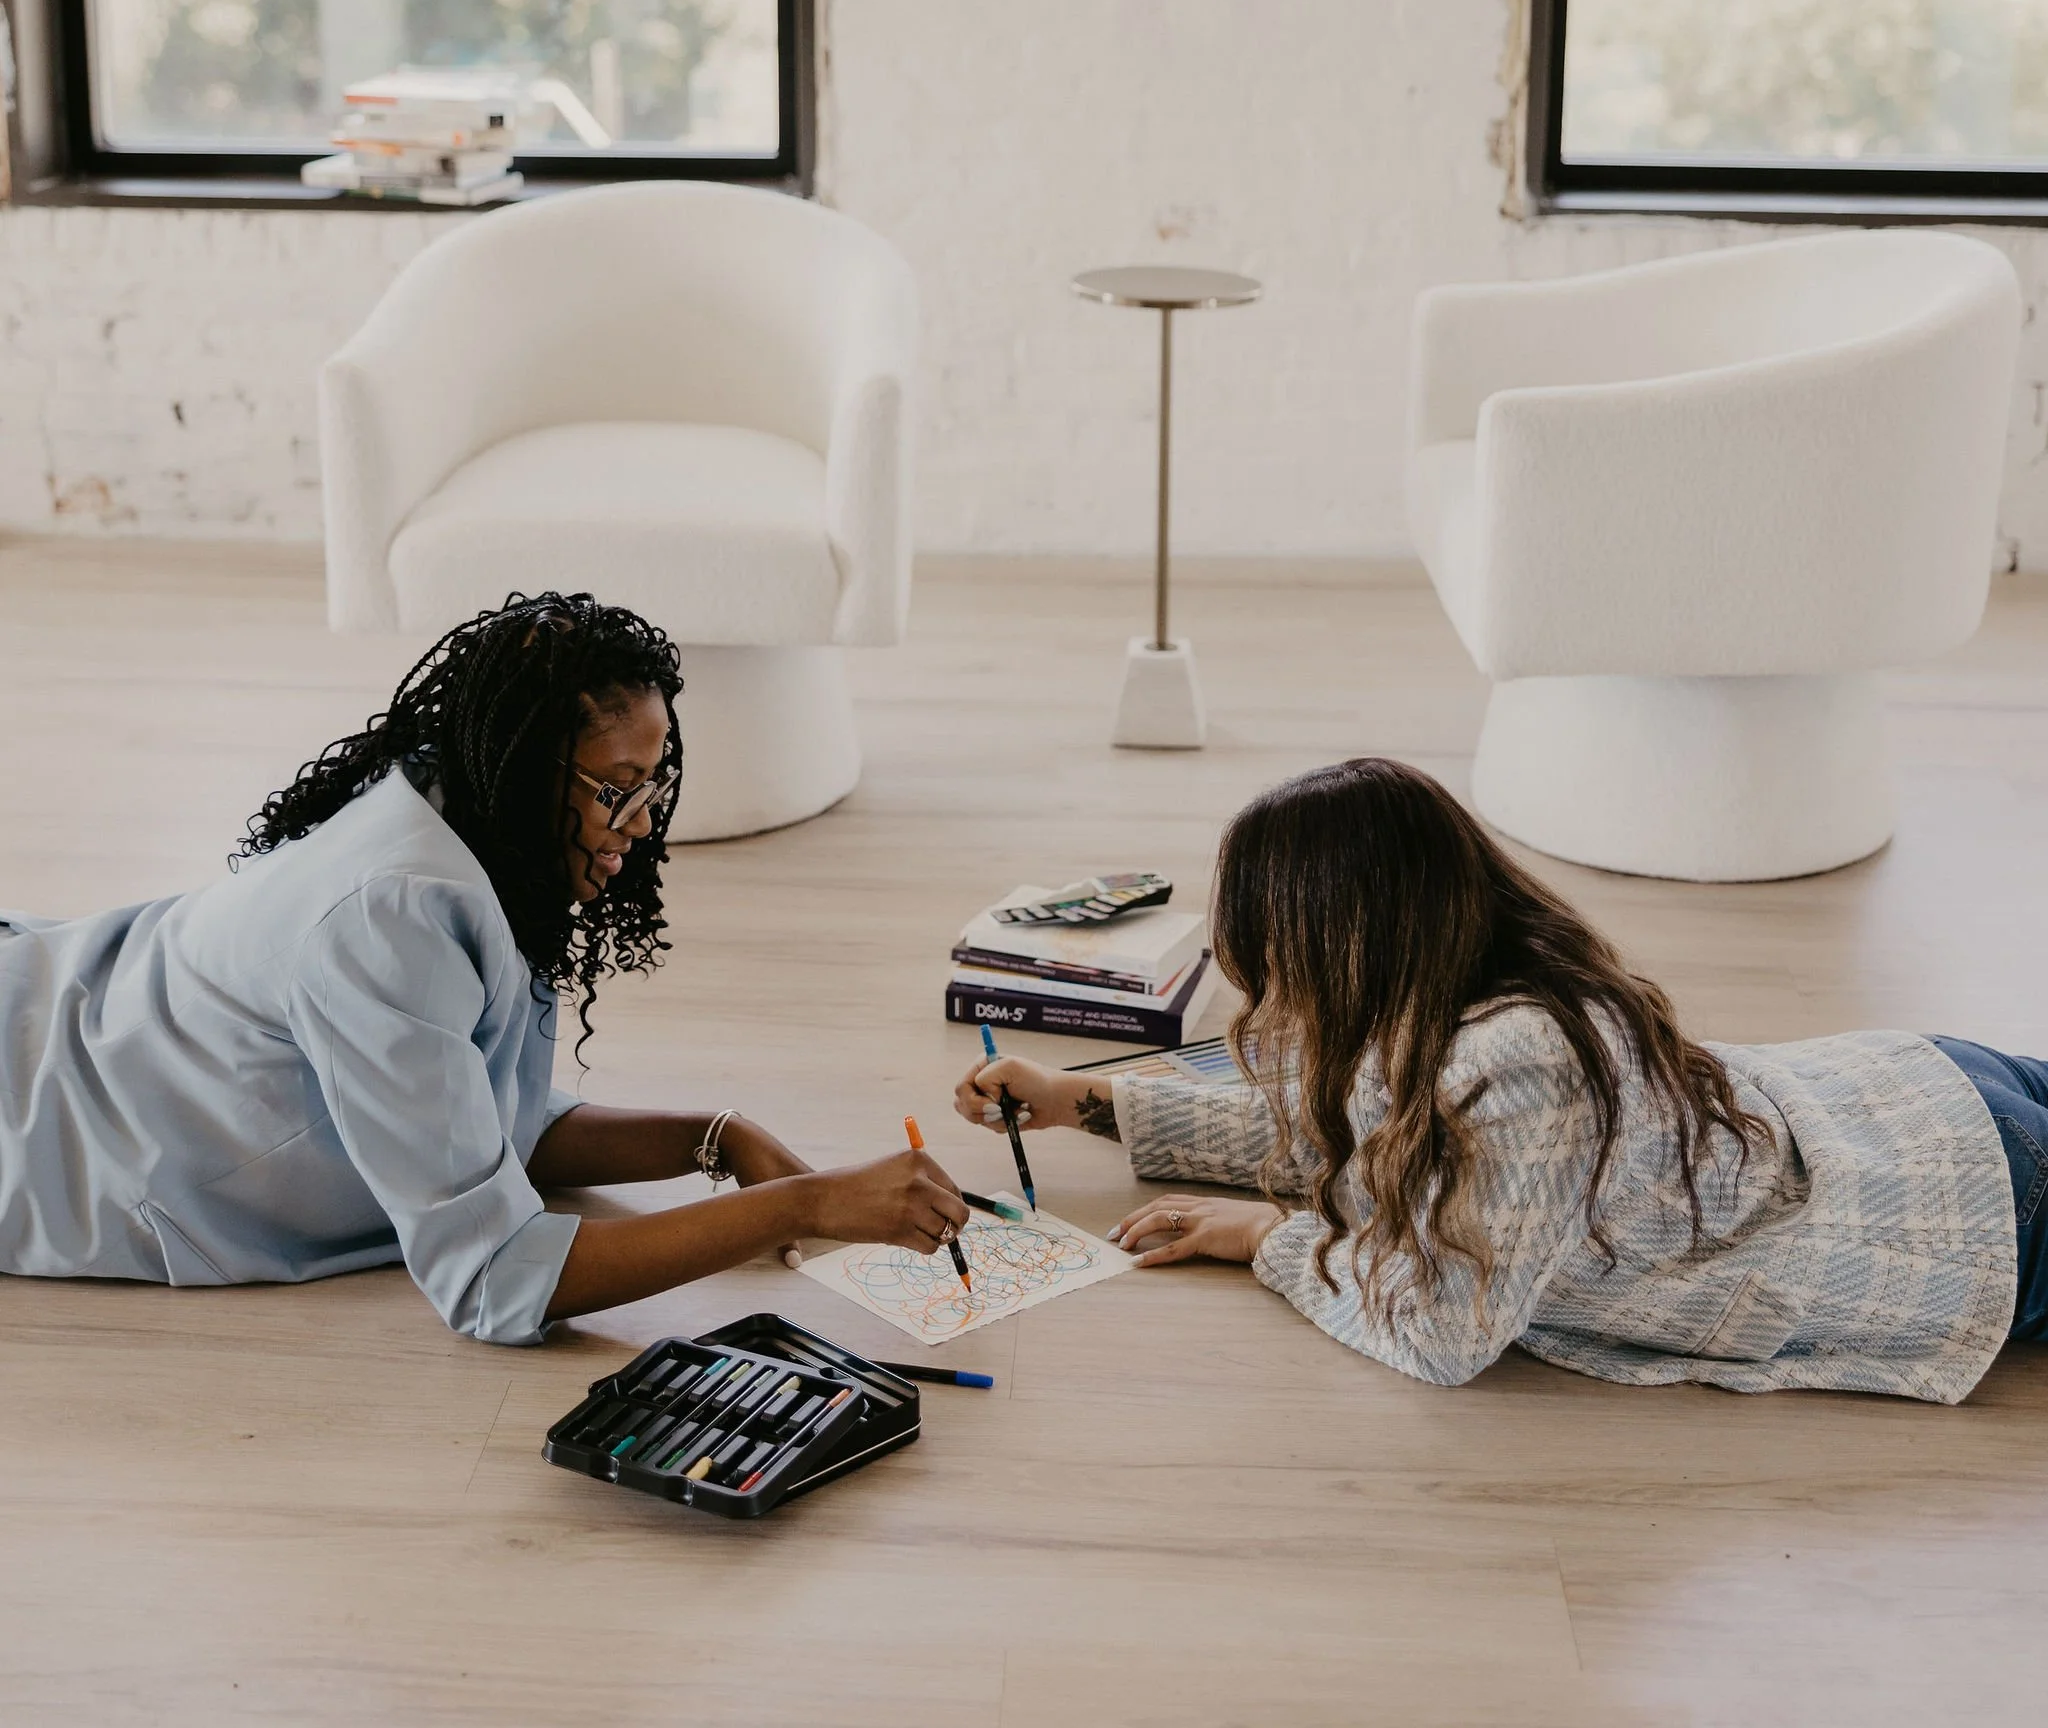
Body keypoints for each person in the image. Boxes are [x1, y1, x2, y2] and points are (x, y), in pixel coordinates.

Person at [0, 592, 966, 1344]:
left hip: (72, 996)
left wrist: (714, 1136)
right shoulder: (392, 919)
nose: (640, 825)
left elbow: (479, 1119)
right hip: (41, 1119)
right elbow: (495, 1278)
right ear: (523, 769)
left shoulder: (472, 826)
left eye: (655, 781)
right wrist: (795, 1206)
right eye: (615, 792)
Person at [956, 756, 2039, 1404]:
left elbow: (1442, 1332)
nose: (1263, 998)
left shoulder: (1520, 1062)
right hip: (1902, 1098)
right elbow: (1356, 1136)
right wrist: (1081, 1100)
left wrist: (1262, 1238)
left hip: (1969, 1212)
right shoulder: (1452, 987)